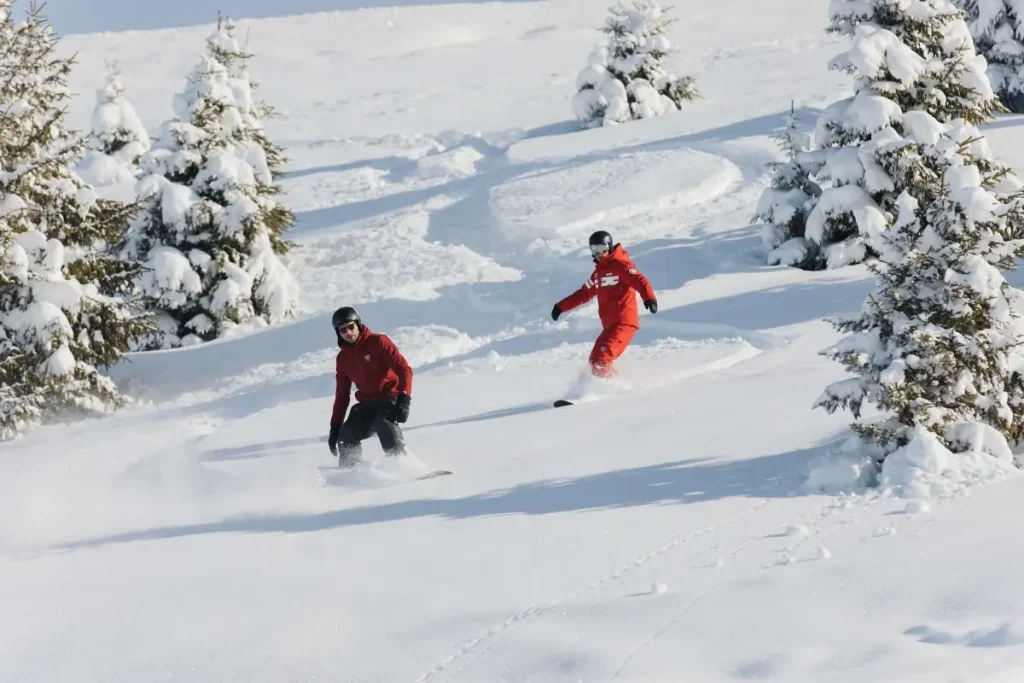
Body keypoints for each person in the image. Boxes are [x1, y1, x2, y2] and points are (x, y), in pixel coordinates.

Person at [550, 230, 657, 377]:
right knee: (596, 360)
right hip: (610, 325)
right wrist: (561, 306)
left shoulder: (621, 265)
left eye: (601, 248)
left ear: (609, 246)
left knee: (599, 360)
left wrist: (649, 298)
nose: (598, 253)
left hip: (623, 323)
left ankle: (609, 390)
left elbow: (640, 280)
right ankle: (613, 387)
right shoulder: (598, 273)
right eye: (594, 250)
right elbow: (584, 293)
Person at [327, 306, 413, 467]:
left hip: (389, 399)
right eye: (342, 330)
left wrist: (404, 399)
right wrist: (335, 428)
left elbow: (404, 370)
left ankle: (401, 464)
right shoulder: (343, 359)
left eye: (351, 327)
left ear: (358, 324)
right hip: (367, 406)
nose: (348, 332)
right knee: (346, 434)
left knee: (383, 422)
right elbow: (342, 395)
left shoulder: (379, 342)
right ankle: (350, 470)